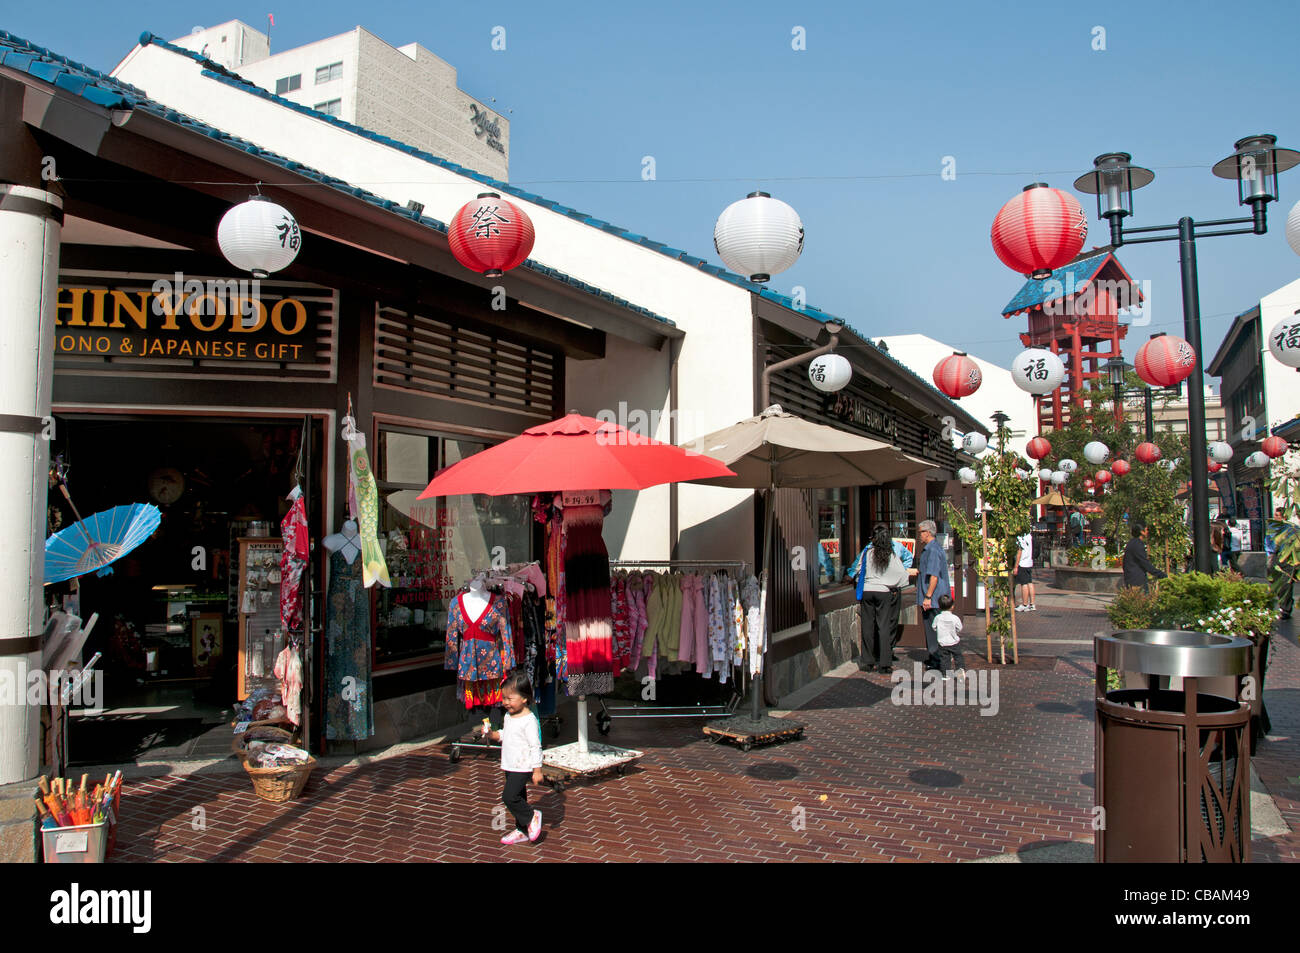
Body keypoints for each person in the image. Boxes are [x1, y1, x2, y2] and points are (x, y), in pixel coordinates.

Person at [481, 670, 544, 846]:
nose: (506, 703)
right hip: (509, 764)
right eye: (504, 699)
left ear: (524, 698)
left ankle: (532, 816)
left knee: (509, 797)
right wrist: (493, 734)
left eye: (510, 699)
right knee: (519, 795)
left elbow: (535, 745)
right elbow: (505, 734)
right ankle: (522, 829)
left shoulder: (529, 720)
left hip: (523, 765)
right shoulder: (509, 716)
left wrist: (537, 769)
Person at [852, 523, 908, 672]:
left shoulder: (867, 553)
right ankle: (884, 663)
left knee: (867, 626)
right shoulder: (890, 554)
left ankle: (867, 662)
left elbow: (858, 570)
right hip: (883, 591)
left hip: (867, 590)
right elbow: (901, 574)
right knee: (884, 627)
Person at [917, 519, 951, 673]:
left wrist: (928, 597)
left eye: (921, 532)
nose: (919, 536)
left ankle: (937, 661)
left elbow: (934, 576)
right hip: (931, 597)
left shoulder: (932, 550)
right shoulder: (931, 549)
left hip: (933, 599)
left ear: (928, 533)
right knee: (931, 629)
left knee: (934, 630)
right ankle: (933, 657)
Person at [1266, 508, 1296, 620]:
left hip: (1288, 559)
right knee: (1275, 584)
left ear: (1284, 517)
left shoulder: (1292, 528)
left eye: (1278, 515)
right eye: (1275, 515)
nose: (1276, 517)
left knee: (1286, 584)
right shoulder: (1272, 528)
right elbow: (1268, 544)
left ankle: (1286, 609)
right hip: (1274, 558)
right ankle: (1283, 603)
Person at [1122, 522, 1167, 592]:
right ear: (1141, 532)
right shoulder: (1137, 545)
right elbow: (1145, 563)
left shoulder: (1132, 543)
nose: (1147, 532)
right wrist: (1161, 574)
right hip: (1136, 580)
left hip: (1131, 577)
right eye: (1146, 530)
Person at [933, 594, 963, 677]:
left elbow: (934, 627)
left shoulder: (937, 617)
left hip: (942, 643)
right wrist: (955, 632)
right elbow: (959, 628)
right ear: (952, 606)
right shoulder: (955, 618)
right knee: (958, 657)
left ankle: (946, 675)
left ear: (939, 606)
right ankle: (960, 670)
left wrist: (939, 631)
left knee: (944, 659)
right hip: (954, 642)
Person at [1014, 530, 1035, 611]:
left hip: (1022, 563)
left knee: (1024, 584)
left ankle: (1025, 604)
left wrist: (1016, 566)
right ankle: (1032, 604)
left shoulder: (1020, 537)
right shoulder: (1029, 535)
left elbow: (1019, 551)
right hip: (1029, 561)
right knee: (1029, 582)